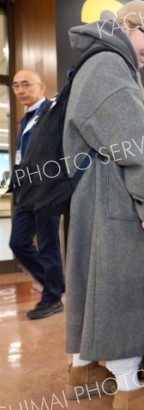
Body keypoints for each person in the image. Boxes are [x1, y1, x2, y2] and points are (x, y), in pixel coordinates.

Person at [63, 1, 144, 410]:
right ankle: (130, 390)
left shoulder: (98, 63)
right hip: (113, 198)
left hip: (91, 194)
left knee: (92, 279)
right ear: (126, 26)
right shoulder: (112, 68)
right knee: (122, 283)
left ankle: (83, 366)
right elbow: (130, 146)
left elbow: (122, 136)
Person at [8, 70, 65, 320]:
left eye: (26, 84)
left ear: (41, 87)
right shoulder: (25, 118)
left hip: (46, 188)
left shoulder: (52, 112)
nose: (20, 90)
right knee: (18, 242)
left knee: (47, 244)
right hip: (25, 188)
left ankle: (52, 297)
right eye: (16, 85)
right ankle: (55, 284)